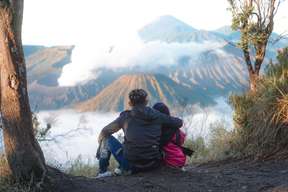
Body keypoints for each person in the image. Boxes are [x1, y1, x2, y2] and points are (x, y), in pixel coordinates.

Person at [96, 89, 183, 178]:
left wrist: (100, 145)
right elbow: (179, 123)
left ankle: (103, 172)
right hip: (153, 164)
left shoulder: (125, 117)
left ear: (130, 103)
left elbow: (105, 131)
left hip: (130, 166)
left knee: (106, 138)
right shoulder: (157, 115)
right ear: (146, 101)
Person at [153, 103, 187, 168]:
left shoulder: (156, 132)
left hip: (168, 163)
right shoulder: (175, 129)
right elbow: (182, 139)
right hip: (181, 160)